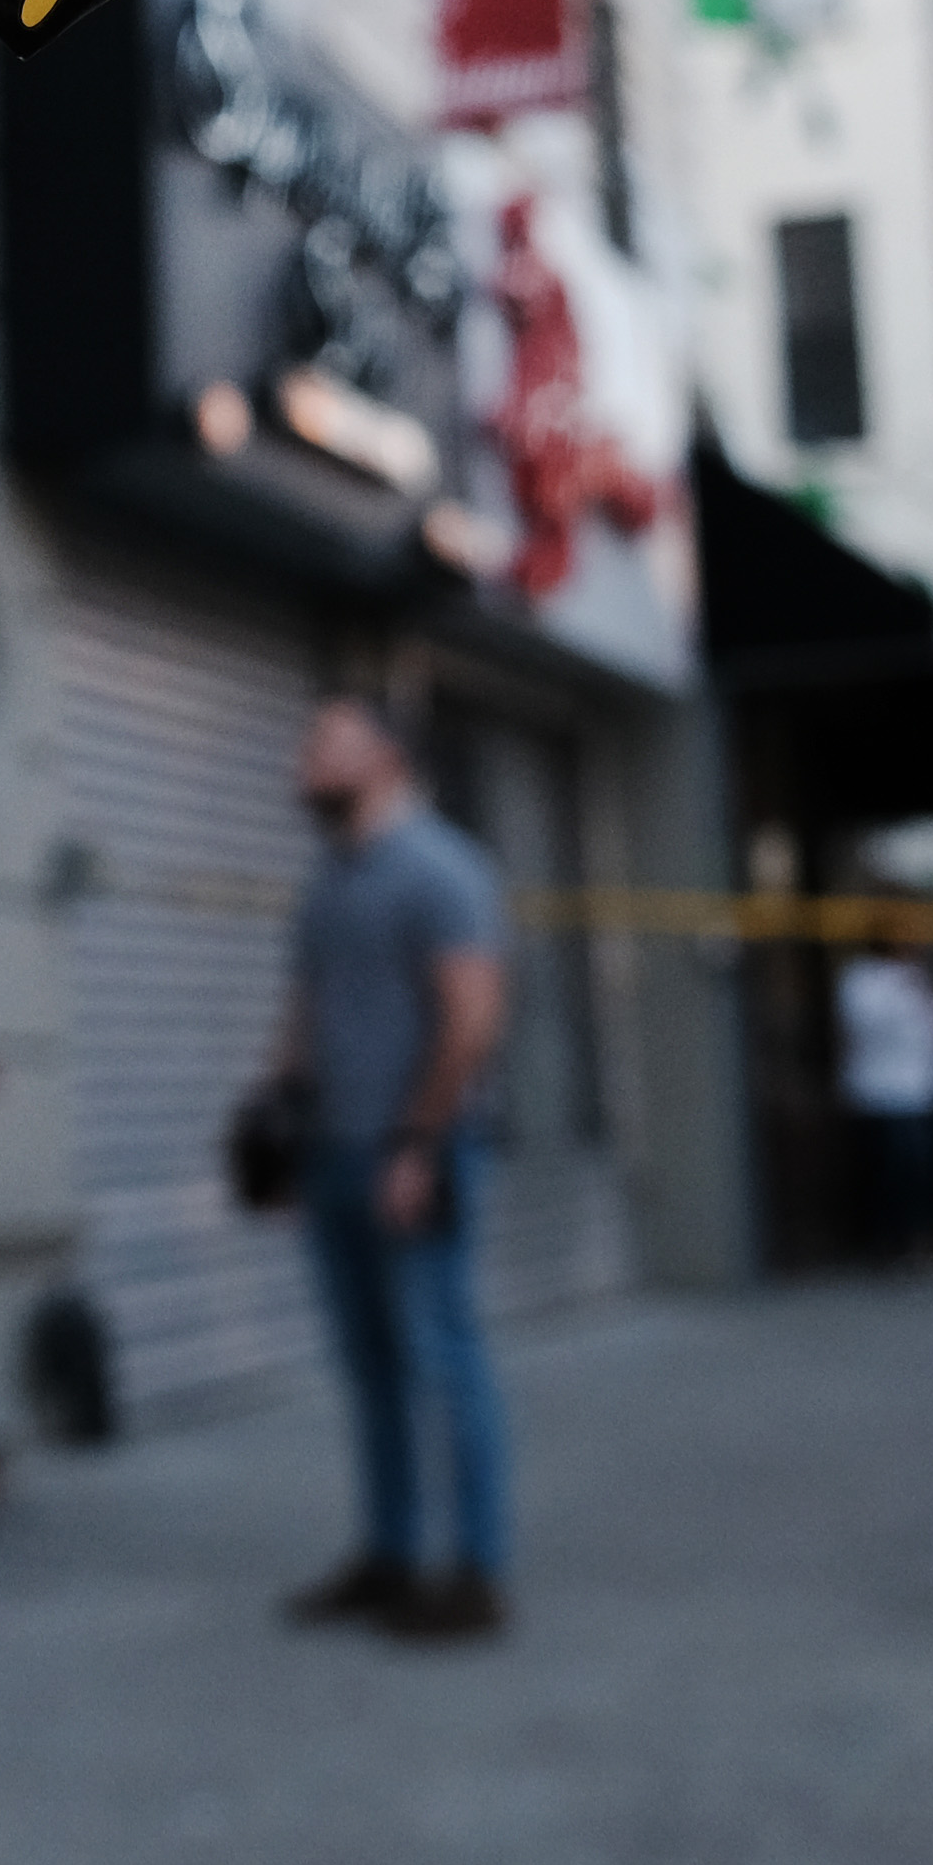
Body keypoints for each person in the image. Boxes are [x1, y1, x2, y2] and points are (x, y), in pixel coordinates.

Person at [272, 697, 517, 1641]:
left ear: (385, 758)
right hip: (334, 1155)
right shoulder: (328, 881)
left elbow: (472, 1023)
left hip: (416, 1153)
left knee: (443, 1357)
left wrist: (417, 1143)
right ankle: (389, 1555)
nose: (304, 761)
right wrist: (278, 1125)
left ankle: (477, 1574)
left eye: (323, 744)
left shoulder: (441, 870)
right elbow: (303, 1014)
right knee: (368, 1367)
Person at [835, 945, 933, 1264]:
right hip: (881, 1094)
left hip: (922, 1092)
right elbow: (862, 1028)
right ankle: (889, 1242)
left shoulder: (919, 979)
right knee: (891, 1171)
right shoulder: (863, 979)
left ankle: (923, 1237)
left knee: (924, 1170)